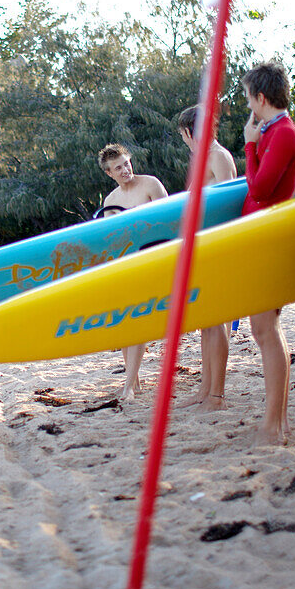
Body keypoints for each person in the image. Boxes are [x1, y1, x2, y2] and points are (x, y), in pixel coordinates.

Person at [240, 61, 295, 446]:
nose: (249, 104)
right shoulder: (274, 131)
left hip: (269, 240)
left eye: (249, 97)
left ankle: (275, 423)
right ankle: (275, 421)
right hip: (259, 238)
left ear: (260, 98)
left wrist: (249, 144)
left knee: (267, 329)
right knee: (263, 329)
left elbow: (261, 189)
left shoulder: (283, 133)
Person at [172, 105, 238, 412]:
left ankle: (217, 396)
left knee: (216, 322)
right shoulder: (204, 157)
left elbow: (228, 201)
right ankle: (205, 388)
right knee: (206, 323)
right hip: (202, 243)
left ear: (188, 132)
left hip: (216, 244)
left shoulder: (217, 156)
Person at [98, 143, 169, 400]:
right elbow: (112, 239)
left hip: (154, 259)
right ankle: (133, 382)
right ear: (109, 173)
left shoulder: (150, 184)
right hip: (127, 264)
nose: (125, 170)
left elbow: (170, 220)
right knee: (125, 320)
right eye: (118, 168)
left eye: (126, 163)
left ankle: (128, 385)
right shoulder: (111, 201)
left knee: (138, 320)